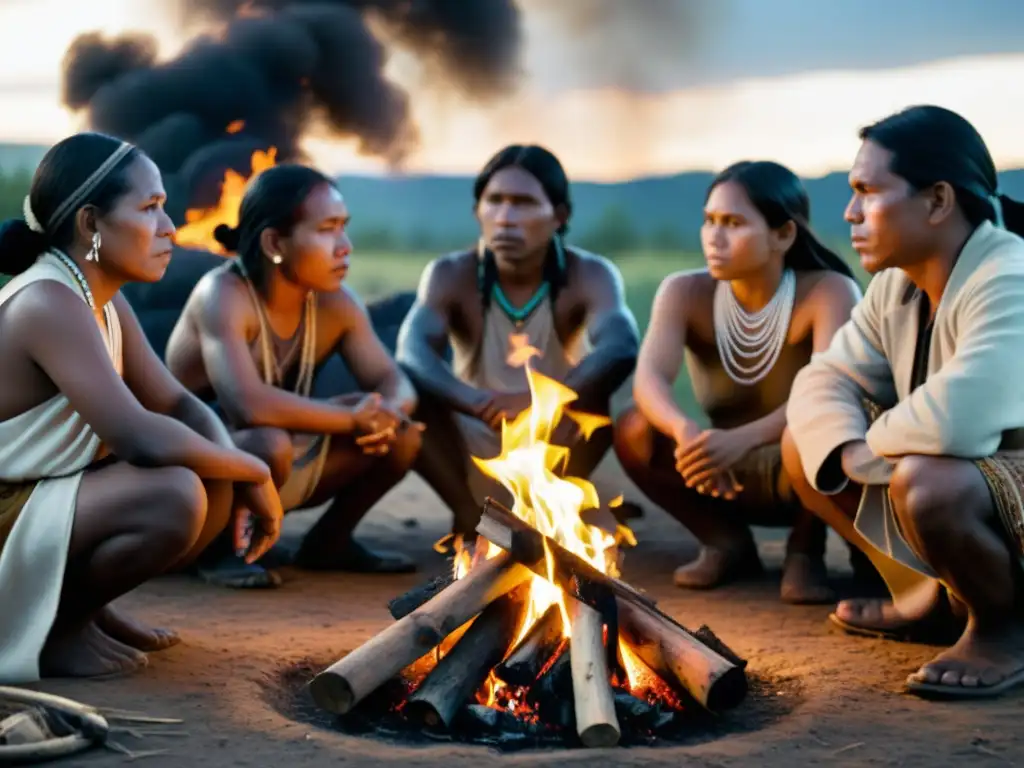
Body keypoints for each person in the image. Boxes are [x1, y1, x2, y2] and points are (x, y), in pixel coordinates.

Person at [0, 132, 282, 682]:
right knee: (174, 495)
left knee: (210, 479)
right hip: (8, 503)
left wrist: (232, 468)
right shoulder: (48, 301)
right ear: (90, 224)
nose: (169, 227)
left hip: (37, 499)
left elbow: (175, 400)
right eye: (150, 208)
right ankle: (56, 631)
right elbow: (140, 436)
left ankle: (84, 610)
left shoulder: (99, 296)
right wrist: (254, 468)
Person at [782, 105, 1024, 698]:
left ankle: (1002, 630)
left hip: (995, 482)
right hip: (976, 480)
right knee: (806, 445)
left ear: (938, 201)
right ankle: (929, 598)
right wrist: (850, 450)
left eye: (867, 191)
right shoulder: (897, 284)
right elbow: (824, 379)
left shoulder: (1010, 273)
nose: (850, 213)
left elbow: (963, 413)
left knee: (928, 482)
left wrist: (871, 449)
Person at [614, 161, 863, 605]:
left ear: (783, 235)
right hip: (717, 473)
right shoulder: (683, 291)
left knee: (825, 424)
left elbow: (832, 391)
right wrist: (685, 431)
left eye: (733, 223)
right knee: (635, 428)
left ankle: (805, 551)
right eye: (709, 220)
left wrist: (743, 439)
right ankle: (724, 542)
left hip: (804, 473)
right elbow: (649, 379)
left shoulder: (829, 291)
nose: (714, 235)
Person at [166, 163, 423, 589]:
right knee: (269, 442)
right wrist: (351, 417)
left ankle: (329, 542)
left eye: (344, 228)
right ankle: (219, 548)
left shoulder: (336, 303)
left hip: (277, 463)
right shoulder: (223, 295)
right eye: (326, 230)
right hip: (194, 474)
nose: (345, 246)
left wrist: (385, 415)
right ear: (273, 242)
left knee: (404, 435)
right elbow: (248, 406)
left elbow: (396, 382)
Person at [396, 144, 640, 536]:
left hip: (554, 436)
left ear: (559, 216)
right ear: (478, 211)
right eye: (494, 201)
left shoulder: (590, 274)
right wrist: (476, 402)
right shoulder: (449, 273)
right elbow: (412, 349)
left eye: (524, 203)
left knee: (600, 391)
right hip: (469, 435)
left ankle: (553, 513)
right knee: (408, 398)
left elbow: (621, 345)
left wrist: (542, 398)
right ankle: (469, 518)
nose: (505, 218)